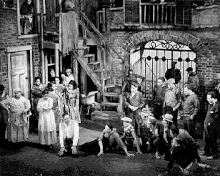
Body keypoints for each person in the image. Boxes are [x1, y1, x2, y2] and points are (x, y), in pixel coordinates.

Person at [202, 91, 220, 160]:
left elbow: (216, 117)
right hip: (207, 125)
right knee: (207, 139)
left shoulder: (217, 106)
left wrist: (211, 123)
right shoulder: (211, 104)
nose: (207, 100)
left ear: (213, 98)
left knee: (213, 140)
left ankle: (215, 155)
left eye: (209, 98)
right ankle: (207, 151)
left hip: (212, 126)